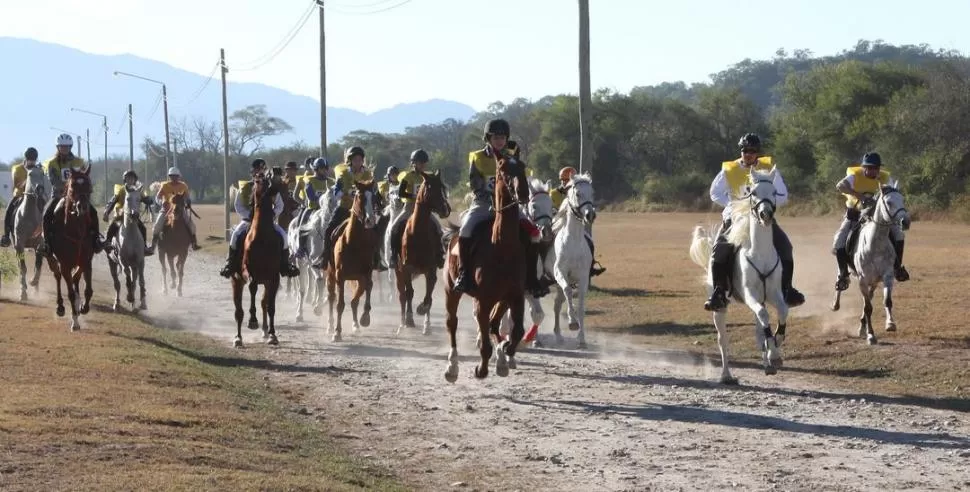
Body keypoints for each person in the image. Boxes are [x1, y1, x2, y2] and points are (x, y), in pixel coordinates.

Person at [703, 133, 805, 311]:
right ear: (741, 151)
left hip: (763, 218)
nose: (748, 154)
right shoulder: (730, 170)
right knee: (718, 252)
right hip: (735, 218)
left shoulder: (769, 168)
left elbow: (783, 195)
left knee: (786, 247)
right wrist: (734, 204)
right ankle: (719, 292)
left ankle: (787, 289)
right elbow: (715, 192)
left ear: (758, 152)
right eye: (745, 150)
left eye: (752, 151)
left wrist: (767, 204)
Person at [453, 119, 547, 297]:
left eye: (502, 137)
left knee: (534, 234)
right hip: (483, 205)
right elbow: (475, 184)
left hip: (509, 206)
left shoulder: (512, 157)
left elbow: (520, 181)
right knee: (465, 231)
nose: (499, 140)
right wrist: (493, 198)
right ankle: (464, 274)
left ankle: (532, 278)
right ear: (488, 138)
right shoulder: (478, 157)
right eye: (496, 137)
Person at [832, 152, 909, 290]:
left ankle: (897, 268)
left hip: (875, 216)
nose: (874, 170)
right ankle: (843, 275)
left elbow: (891, 192)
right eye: (871, 167)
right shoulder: (855, 175)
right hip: (855, 214)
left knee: (898, 235)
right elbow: (840, 186)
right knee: (839, 240)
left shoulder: (884, 177)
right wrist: (859, 196)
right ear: (864, 168)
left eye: (877, 168)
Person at [219, 159, 300, 278]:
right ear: (253, 172)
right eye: (257, 169)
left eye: (262, 169)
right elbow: (238, 205)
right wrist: (250, 216)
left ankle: (285, 265)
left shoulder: (271, 188)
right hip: (248, 221)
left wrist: (271, 215)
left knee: (283, 235)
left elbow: (280, 205)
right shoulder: (246, 187)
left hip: (267, 221)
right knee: (235, 235)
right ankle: (230, 264)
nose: (260, 171)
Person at [38, 134, 107, 254]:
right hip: (59, 195)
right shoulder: (52, 163)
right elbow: (54, 181)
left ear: (70, 147)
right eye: (62, 147)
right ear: (58, 147)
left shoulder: (79, 162)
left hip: (78, 196)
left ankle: (96, 240)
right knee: (46, 214)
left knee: (93, 212)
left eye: (67, 147)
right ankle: (46, 244)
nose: (64, 149)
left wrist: (84, 190)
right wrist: (67, 190)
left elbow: (85, 177)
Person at [315, 146, 374, 268]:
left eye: (360, 160)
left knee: (375, 230)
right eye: (355, 160)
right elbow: (336, 194)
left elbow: (372, 191)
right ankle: (325, 258)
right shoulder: (343, 174)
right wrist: (348, 193)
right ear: (350, 161)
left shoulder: (368, 174)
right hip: (344, 208)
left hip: (362, 211)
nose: (358, 162)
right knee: (328, 230)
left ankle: (376, 259)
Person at [386, 149, 445, 269]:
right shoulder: (408, 176)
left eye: (424, 162)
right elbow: (401, 193)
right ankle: (393, 256)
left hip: (425, 210)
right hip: (409, 208)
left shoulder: (429, 176)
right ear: (414, 163)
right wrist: (415, 196)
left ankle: (439, 255)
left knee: (439, 228)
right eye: (420, 162)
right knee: (394, 228)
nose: (422, 165)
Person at [149, 167, 202, 252]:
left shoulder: (183, 186)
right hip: (165, 210)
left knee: (192, 226)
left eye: (175, 176)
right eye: (172, 176)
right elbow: (157, 197)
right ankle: (152, 246)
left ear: (179, 177)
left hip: (180, 210)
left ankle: (194, 243)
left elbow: (187, 197)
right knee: (157, 226)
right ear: (169, 177)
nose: (174, 178)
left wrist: (188, 202)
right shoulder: (164, 185)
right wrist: (161, 202)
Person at [1, 147, 46, 247]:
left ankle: (48, 234)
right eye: (30, 159)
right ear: (25, 158)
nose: (32, 162)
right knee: (9, 210)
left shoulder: (38, 169)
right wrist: (30, 178)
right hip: (19, 195)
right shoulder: (17, 168)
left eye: (34, 160)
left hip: (35, 197)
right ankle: (6, 236)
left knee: (47, 209)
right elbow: (17, 184)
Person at [102, 170, 154, 255]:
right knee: (113, 226)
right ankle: (108, 242)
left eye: (132, 178)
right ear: (125, 180)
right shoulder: (121, 190)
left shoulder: (138, 191)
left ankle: (144, 247)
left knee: (143, 228)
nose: (130, 180)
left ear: (135, 180)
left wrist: (148, 200)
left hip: (134, 215)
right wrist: (107, 212)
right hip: (121, 214)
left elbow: (145, 198)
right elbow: (113, 201)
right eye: (128, 178)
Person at [294, 157, 333, 256]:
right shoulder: (309, 181)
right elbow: (311, 197)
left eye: (325, 168)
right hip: (313, 209)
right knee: (302, 223)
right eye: (321, 168)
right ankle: (301, 247)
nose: (324, 171)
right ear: (316, 169)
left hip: (329, 210)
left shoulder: (332, 182)